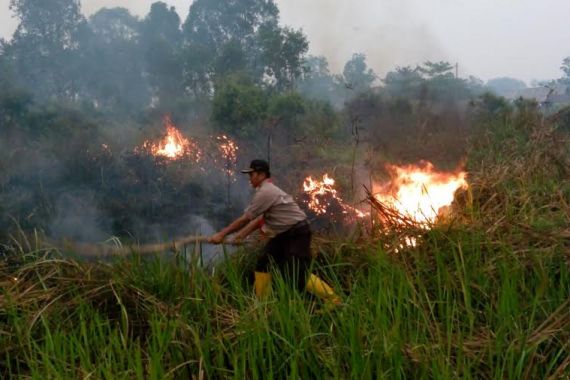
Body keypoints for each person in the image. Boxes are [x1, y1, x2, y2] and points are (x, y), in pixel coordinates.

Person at [209, 159, 340, 305]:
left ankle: (332, 300)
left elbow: (246, 218)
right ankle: (262, 304)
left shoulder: (266, 192)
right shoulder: (263, 191)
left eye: (252, 175)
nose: (250, 178)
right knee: (263, 263)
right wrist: (241, 235)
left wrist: (222, 234)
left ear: (261, 175)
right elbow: (259, 218)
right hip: (284, 234)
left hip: (298, 233)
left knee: (296, 273)